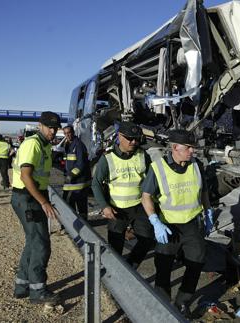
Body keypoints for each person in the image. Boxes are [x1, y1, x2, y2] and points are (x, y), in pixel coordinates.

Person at [141, 129, 214, 317]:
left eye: (193, 148)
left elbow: (204, 191)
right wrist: (154, 221)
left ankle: (182, 302)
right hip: (168, 226)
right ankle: (162, 305)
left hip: (192, 225)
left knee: (196, 263)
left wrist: (208, 211)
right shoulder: (158, 168)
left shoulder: (196, 165)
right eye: (188, 147)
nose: (192, 151)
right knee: (163, 266)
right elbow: (146, 196)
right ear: (175, 147)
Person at [11, 111, 61, 305]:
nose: (53, 131)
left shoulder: (45, 145)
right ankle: (38, 292)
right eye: (50, 127)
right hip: (28, 198)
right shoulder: (33, 144)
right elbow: (26, 176)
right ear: (40, 125)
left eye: (55, 128)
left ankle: (22, 287)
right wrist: (44, 202)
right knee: (41, 245)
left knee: (33, 242)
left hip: (30, 197)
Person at [91, 121, 154, 269]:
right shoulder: (107, 158)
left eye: (136, 138)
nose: (134, 142)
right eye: (130, 138)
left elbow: (151, 180)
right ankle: (116, 273)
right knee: (115, 249)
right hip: (117, 211)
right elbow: (96, 184)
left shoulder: (142, 155)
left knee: (147, 240)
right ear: (119, 136)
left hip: (139, 207)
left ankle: (130, 267)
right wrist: (105, 207)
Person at [62, 126, 90, 220]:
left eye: (69, 132)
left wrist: (71, 175)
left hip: (78, 183)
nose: (67, 135)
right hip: (71, 182)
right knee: (68, 204)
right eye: (65, 133)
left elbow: (80, 164)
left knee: (80, 206)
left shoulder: (78, 145)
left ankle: (84, 226)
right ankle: (72, 225)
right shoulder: (68, 145)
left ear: (73, 132)